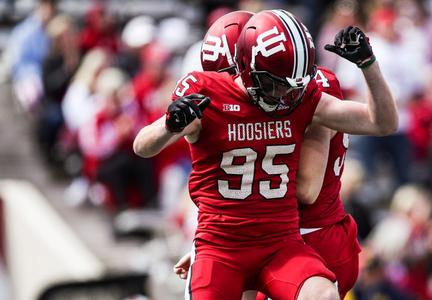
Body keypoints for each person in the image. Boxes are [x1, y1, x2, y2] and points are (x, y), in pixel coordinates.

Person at [134, 9, 397, 299]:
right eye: (277, 85)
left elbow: (381, 122)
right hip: (221, 247)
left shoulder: (302, 98)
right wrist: (170, 125)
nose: (287, 96)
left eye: (294, 85)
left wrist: (367, 64)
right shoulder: (209, 95)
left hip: (288, 241)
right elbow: (143, 145)